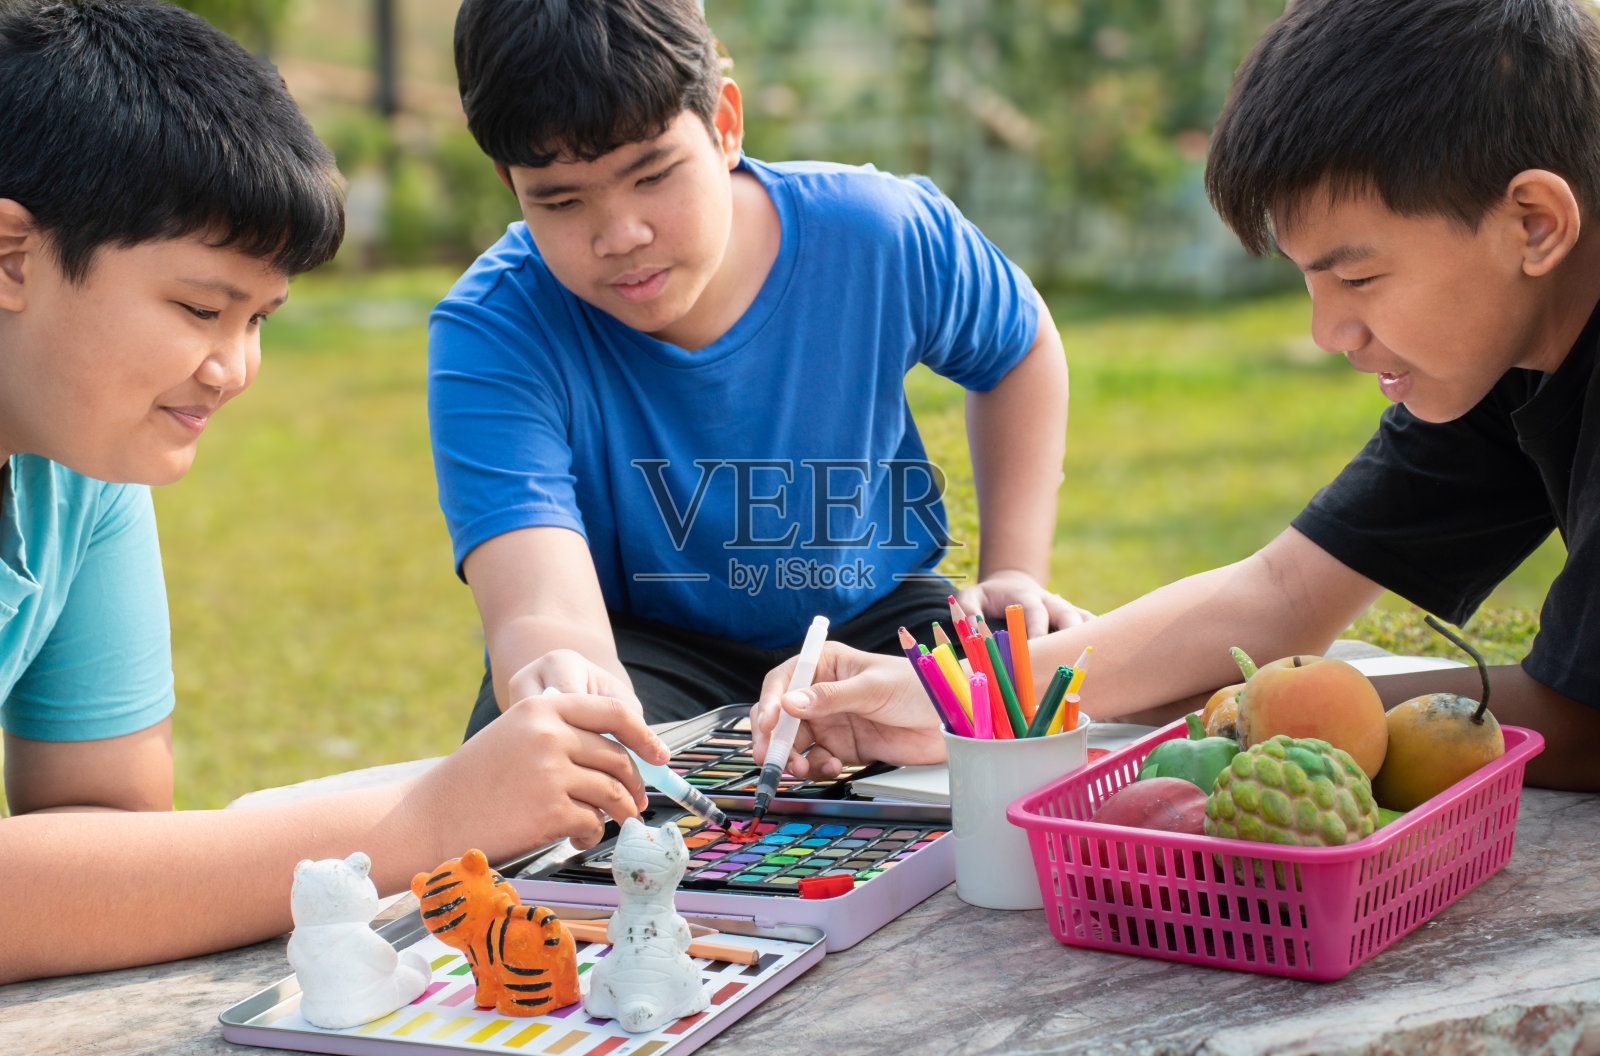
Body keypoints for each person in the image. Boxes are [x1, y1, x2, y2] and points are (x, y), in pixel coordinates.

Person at [750, 0, 1600, 793]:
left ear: (1534, 223)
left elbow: (1580, 722)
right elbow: (1285, 593)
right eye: (1310, 281)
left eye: (1358, 277)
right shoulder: (1502, 351)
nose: (1327, 331)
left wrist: (1251, 709)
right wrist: (965, 698)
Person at [0, 0, 666, 986]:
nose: (234, 369)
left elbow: (110, 839)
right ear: (13, 257)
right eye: (199, 308)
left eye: (258, 320)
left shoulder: (79, 471)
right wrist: (425, 820)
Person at [432, 0, 1087, 735]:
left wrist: (1014, 571)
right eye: (560, 201)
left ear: (724, 124)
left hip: (879, 621)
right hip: (639, 648)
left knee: (1026, 728)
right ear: (510, 183)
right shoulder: (493, 328)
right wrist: (562, 670)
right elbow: (544, 612)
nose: (620, 234)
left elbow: (1019, 347)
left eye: (652, 176)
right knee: (548, 753)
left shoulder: (876, 234)